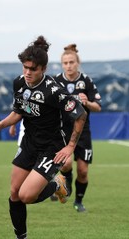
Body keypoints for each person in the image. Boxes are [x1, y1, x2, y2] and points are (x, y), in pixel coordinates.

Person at [0, 36, 87, 239]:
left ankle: (58, 184)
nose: (27, 73)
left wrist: (70, 147)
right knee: (14, 192)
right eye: (25, 67)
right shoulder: (19, 83)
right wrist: (1, 125)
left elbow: (80, 114)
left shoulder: (54, 91)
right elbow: (20, 111)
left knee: (26, 196)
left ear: (43, 69)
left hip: (51, 147)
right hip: (29, 143)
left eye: (33, 69)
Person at [53, 44, 102, 212]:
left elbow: (98, 107)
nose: (68, 66)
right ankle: (67, 186)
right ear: (62, 64)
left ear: (77, 62)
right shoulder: (56, 81)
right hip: (64, 130)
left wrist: (87, 101)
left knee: (82, 171)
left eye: (71, 62)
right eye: (65, 63)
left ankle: (78, 202)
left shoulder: (86, 80)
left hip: (83, 131)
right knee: (65, 164)